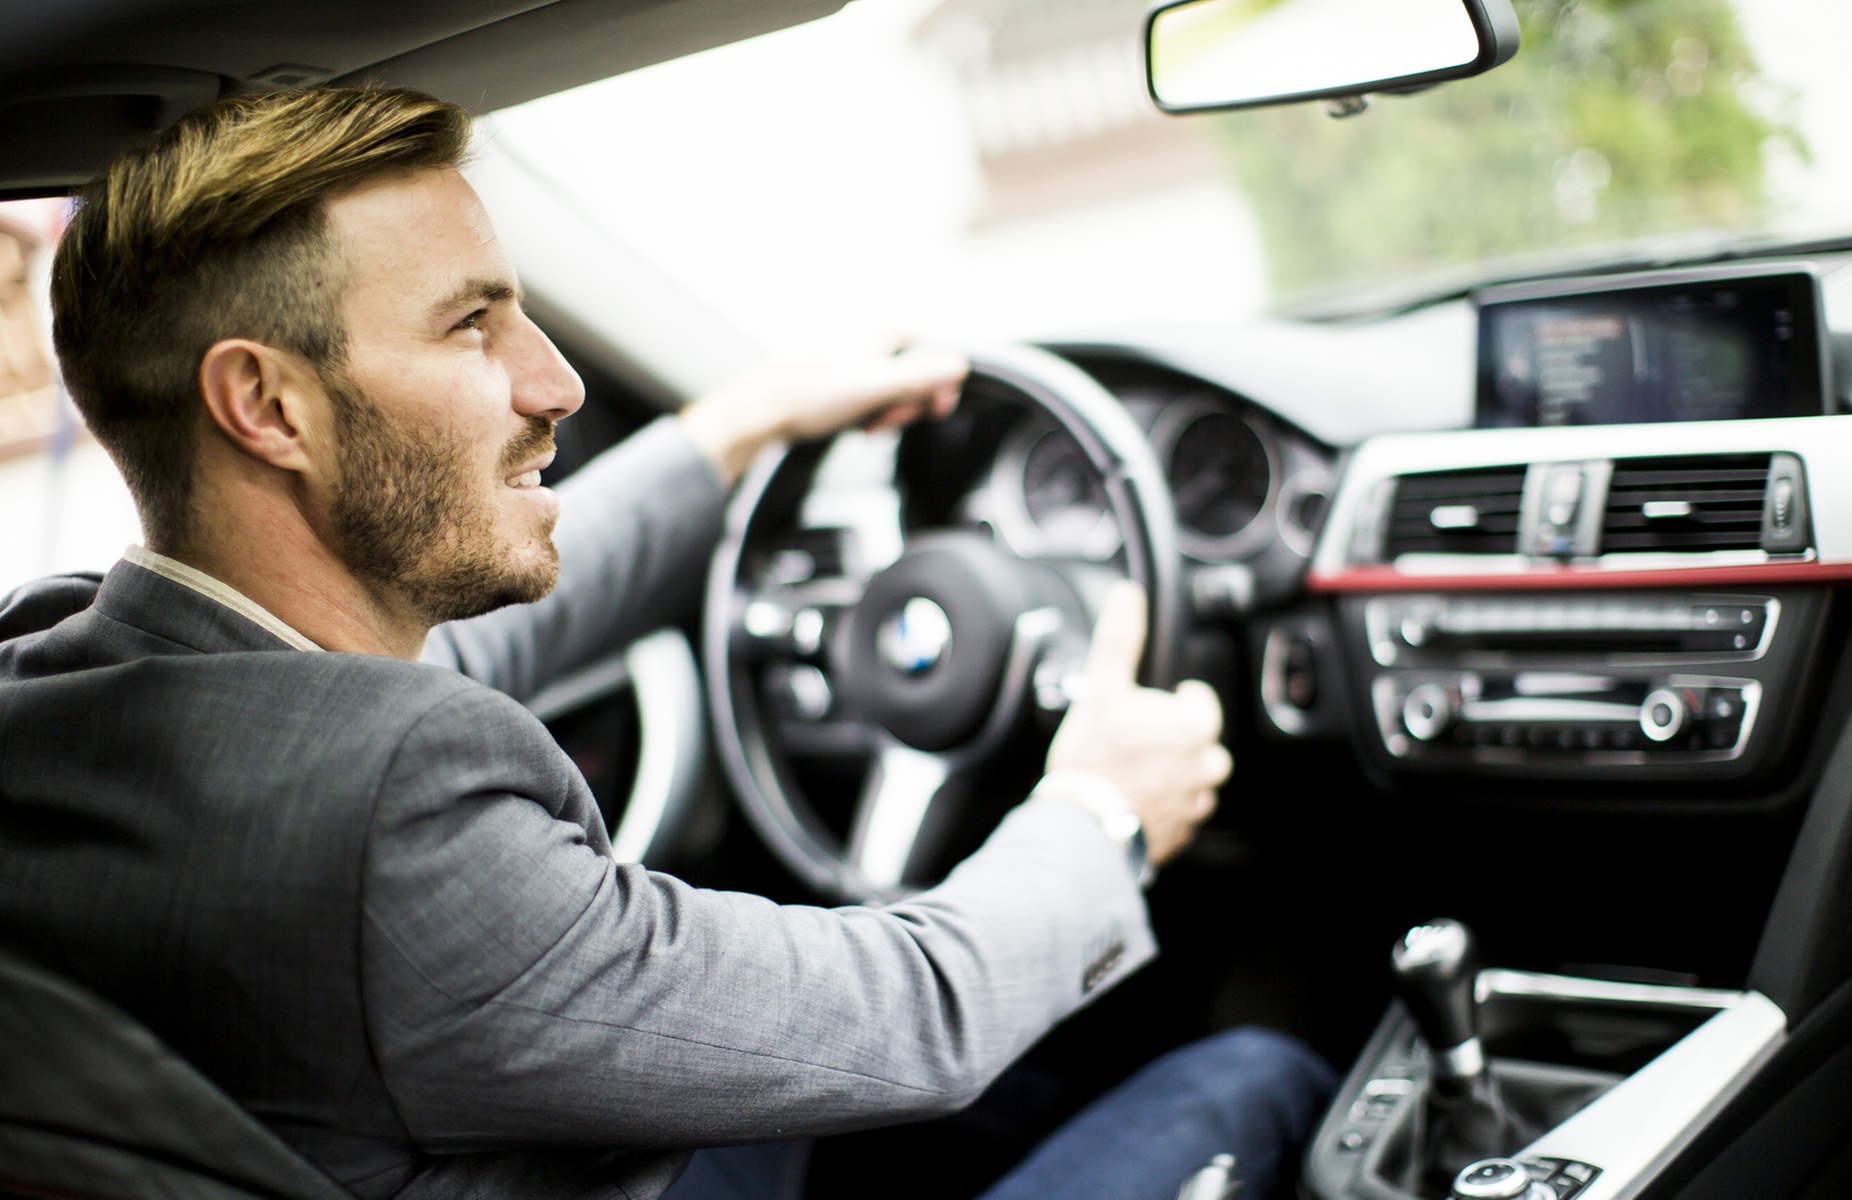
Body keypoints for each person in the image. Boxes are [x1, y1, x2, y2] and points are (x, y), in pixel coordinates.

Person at [0, 86, 1334, 1198]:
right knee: (1261, 1075)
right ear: (265, 405)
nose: (559, 384)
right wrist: (1102, 810)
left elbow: (448, 677)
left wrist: (742, 425)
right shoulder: (392, 814)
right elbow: (914, 1016)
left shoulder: (59, 676)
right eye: (472, 324)